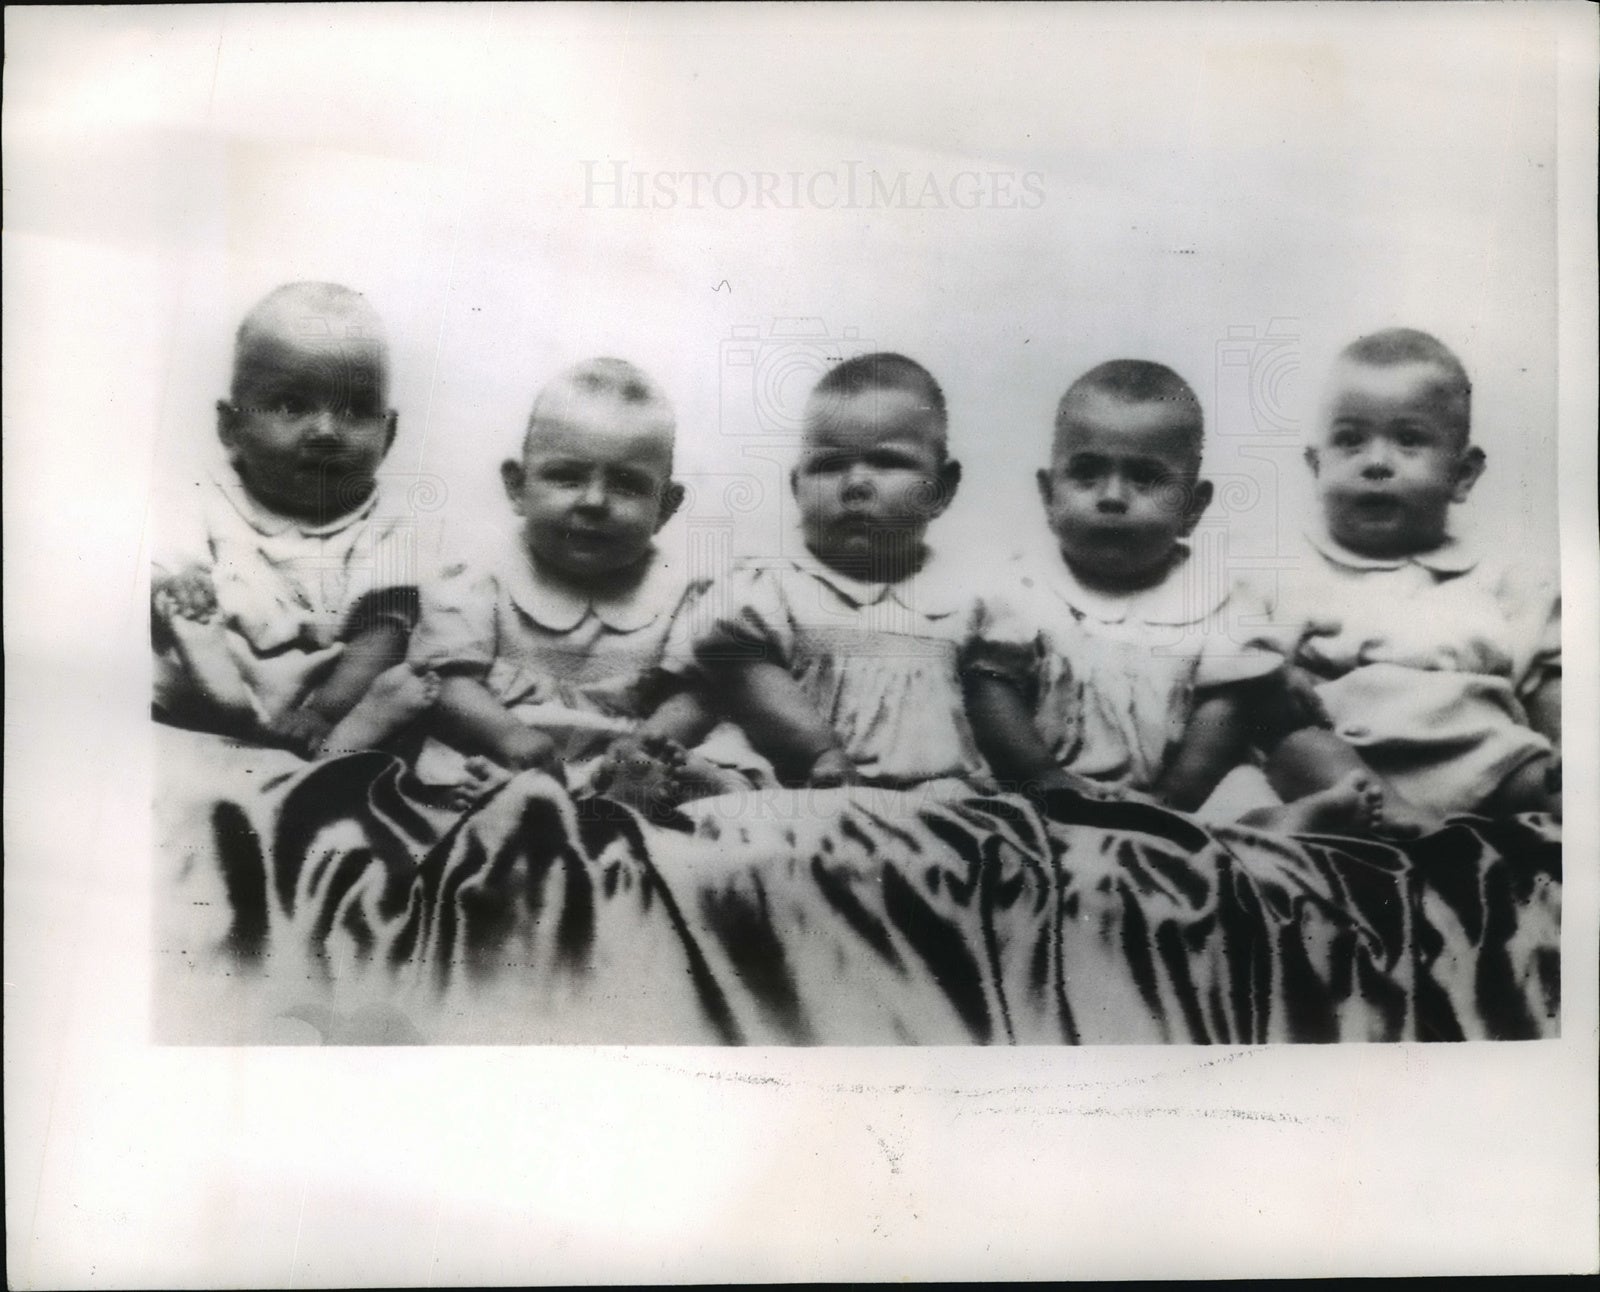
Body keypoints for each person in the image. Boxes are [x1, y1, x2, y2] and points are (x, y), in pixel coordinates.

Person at [967, 359, 1388, 835]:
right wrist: (1045, 777)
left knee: (1239, 796)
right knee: (985, 811)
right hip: (1044, 788)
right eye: (1086, 473)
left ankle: (1279, 823)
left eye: (1144, 478)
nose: (1112, 497)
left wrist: (1173, 798)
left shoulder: (1216, 597)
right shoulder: (1020, 588)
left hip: (1181, 796)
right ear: (1048, 494)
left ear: (1192, 508)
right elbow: (991, 691)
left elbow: (1224, 711)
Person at [399, 357, 745, 807]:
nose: (594, 502)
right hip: (506, 750)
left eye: (626, 485)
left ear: (666, 506)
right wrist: (510, 737)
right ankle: (520, 801)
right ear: (517, 486)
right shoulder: (481, 578)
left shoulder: (682, 590)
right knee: (458, 779)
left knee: (712, 762)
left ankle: (640, 796)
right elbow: (448, 681)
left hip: (628, 761)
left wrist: (648, 744)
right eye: (566, 476)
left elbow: (695, 695)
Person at [1256, 328, 1561, 828]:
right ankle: (1397, 816)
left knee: (1545, 776)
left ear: (1462, 475)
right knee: (1297, 749)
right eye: (1349, 440)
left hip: (1480, 754)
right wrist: (1276, 677)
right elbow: (1242, 665)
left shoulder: (1506, 580)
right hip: (1349, 755)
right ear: (1316, 466)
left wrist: (1564, 750)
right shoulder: (1284, 572)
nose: (1376, 462)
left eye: (1409, 440)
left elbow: (1548, 682)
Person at [152, 281, 436, 759]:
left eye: (355, 409)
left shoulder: (388, 522)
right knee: (156, 647)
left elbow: (380, 634)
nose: (325, 431)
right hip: (216, 667)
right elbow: (173, 568)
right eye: (291, 405)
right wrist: (180, 586)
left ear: (388, 435)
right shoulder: (206, 493)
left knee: (403, 686)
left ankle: (339, 740)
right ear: (231, 426)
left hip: (325, 696)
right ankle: (222, 703)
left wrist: (321, 712)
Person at [692, 352, 994, 792]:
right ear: (796, 486)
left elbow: (993, 706)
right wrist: (820, 751)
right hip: (793, 781)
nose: (854, 484)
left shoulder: (968, 600)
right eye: (829, 465)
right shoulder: (774, 583)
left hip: (932, 793)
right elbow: (745, 675)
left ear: (942, 489)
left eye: (887, 461)